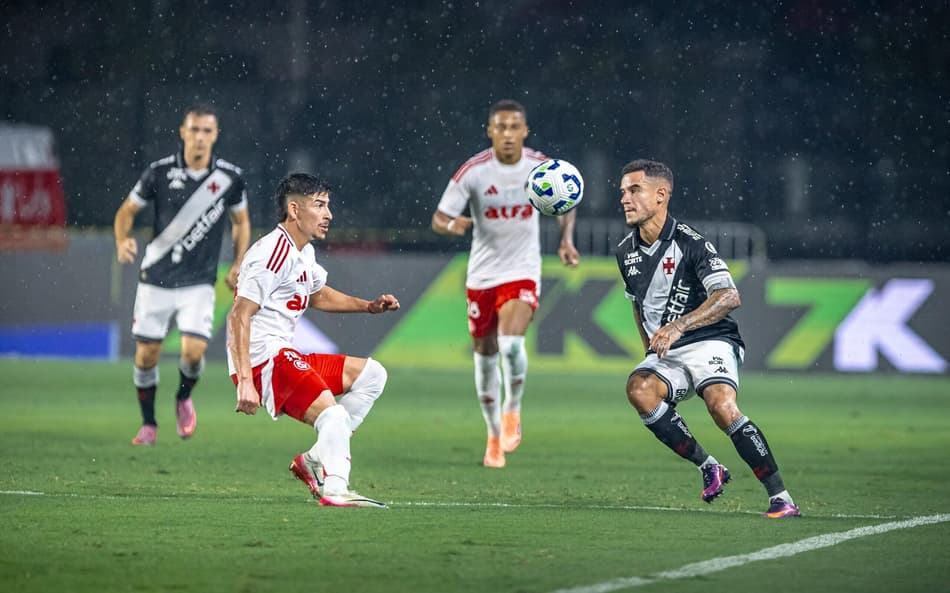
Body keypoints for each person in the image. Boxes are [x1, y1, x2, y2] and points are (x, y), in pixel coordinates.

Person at [615, 158, 801, 519]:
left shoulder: (691, 243)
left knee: (720, 406)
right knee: (639, 388)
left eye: (634, 190)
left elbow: (729, 296)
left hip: (711, 340)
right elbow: (637, 303)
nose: (625, 198)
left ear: (660, 195)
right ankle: (708, 466)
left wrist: (678, 326)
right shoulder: (625, 251)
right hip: (669, 350)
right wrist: (647, 344)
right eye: (622, 191)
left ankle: (781, 498)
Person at [227, 173, 399, 508]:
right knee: (332, 416)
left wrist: (368, 307)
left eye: (328, 205)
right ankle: (335, 488)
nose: (328, 214)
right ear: (294, 210)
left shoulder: (302, 251)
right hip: (263, 360)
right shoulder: (272, 254)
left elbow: (317, 295)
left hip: (283, 353)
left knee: (372, 375)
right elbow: (238, 315)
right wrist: (245, 382)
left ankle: (315, 459)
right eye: (319, 205)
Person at [431, 99, 580, 468]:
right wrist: (455, 225)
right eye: (501, 127)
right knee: (485, 360)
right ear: (490, 131)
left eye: (515, 127)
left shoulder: (541, 167)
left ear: (525, 131)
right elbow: (438, 217)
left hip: (522, 270)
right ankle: (493, 436)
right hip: (482, 275)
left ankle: (512, 409)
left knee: (512, 344)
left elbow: (569, 199)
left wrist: (566, 239)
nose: (508, 134)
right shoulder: (474, 171)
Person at [114, 103, 251, 446]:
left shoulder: (229, 178)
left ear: (215, 135)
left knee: (193, 353)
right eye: (194, 130)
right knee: (146, 357)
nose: (200, 137)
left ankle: (183, 397)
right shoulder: (158, 172)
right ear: (183, 132)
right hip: (156, 278)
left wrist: (238, 263)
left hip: (198, 282)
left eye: (207, 131)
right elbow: (126, 212)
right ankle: (148, 424)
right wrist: (121, 240)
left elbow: (241, 221)